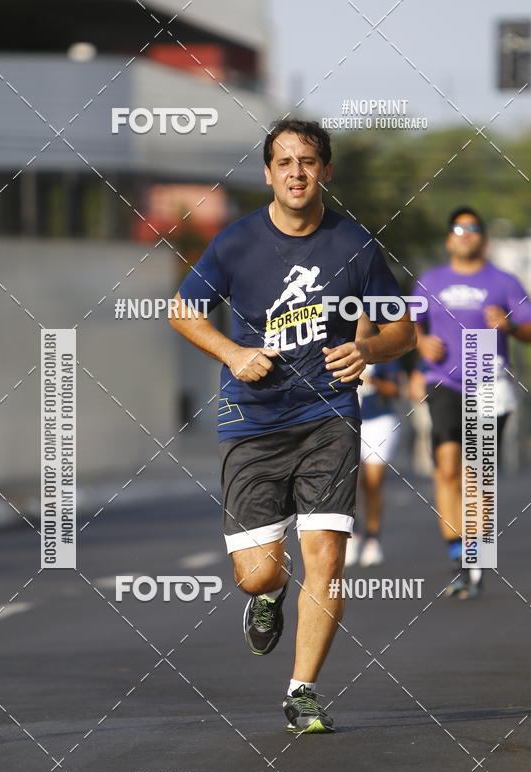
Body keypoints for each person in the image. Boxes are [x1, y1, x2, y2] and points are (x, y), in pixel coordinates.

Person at [169, 119, 414, 733]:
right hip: (251, 418)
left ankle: (302, 691)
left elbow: (402, 329)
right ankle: (269, 594)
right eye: (285, 162)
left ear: (326, 170)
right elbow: (183, 310)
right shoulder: (235, 242)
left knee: (326, 557)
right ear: (268, 173)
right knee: (256, 571)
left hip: (328, 416)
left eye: (308, 161)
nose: (297, 173)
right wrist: (231, 354)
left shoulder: (355, 245)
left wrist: (370, 352)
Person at [414, 206, 531, 599]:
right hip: (444, 382)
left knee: (478, 476)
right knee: (448, 467)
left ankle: (476, 556)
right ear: (449, 238)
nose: (465, 234)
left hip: (488, 381)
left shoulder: (503, 282)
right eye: (458, 227)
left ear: (482, 238)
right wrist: (420, 341)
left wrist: (511, 325)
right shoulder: (430, 281)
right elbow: (405, 325)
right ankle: (459, 554)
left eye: (473, 228)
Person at [345, 348, 401, 567]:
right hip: (348, 420)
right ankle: (353, 533)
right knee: (350, 482)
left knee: (374, 482)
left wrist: (372, 381)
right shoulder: (336, 345)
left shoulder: (381, 348)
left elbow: (396, 389)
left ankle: (373, 538)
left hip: (379, 420)